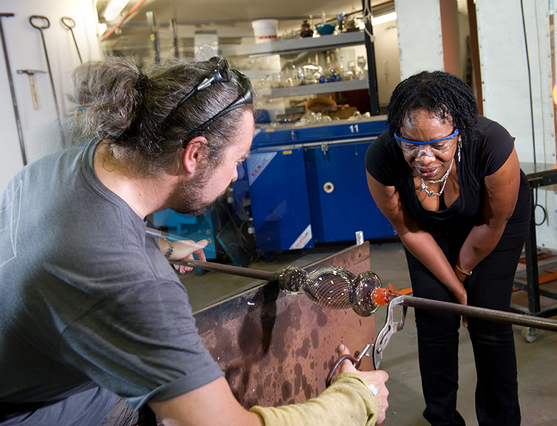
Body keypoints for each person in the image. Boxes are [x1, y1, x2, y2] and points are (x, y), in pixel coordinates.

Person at [0, 56, 389, 426]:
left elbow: (85, 235)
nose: (237, 176)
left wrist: (159, 246)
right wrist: (356, 401)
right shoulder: (138, 287)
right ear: (196, 154)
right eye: (238, 161)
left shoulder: (66, 162)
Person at [365, 71, 530, 426]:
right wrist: (454, 291)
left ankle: (500, 421)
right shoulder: (382, 157)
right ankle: (441, 420)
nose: (424, 158)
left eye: (438, 145)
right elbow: (407, 227)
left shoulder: (492, 144)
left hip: (491, 221)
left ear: (460, 132)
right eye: (411, 145)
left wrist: (463, 277)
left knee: (488, 319)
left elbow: (492, 223)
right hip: (424, 229)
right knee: (435, 317)